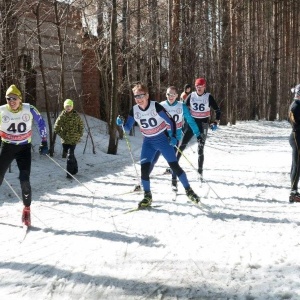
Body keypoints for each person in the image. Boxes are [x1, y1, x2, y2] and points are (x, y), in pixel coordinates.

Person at [116, 83, 200, 208]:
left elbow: (170, 120)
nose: (139, 99)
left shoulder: (155, 106)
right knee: (144, 170)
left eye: (141, 95)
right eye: (136, 96)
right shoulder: (134, 110)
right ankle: (147, 196)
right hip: (148, 143)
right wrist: (121, 123)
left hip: (162, 140)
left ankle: (189, 191)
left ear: (147, 95)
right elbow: (127, 128)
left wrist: (172, 136)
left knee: (175, 167)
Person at [0, 84, 48, 226]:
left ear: (20, 99)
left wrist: (44, 141)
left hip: (24, 149)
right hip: (8, 147)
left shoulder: (30, 109)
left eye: (14, 98)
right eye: (8, 99)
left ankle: (27, 209)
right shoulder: (2, 111)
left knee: (24, 179)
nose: (11, 101)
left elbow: (41, 123)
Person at [151, 86, 203, 191]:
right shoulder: (161, 105)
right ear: (166, 94)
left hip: (175, 137)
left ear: (177, 95)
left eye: (173, 94)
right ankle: (143, 182)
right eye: (169, 94)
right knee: (153, 159)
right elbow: (150, 118)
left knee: (173, 161)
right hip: (162, 135)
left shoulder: (181, 106)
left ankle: (174, 182)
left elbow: (190, 120)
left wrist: (198, 134)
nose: (171, 97)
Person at [178, 77, 221, 180]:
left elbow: (218, 110)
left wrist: (215, 122)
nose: (199, 88)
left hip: (203, 125)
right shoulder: (191, 96)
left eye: (201, 86)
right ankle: (174, 166)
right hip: (192, 124)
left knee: (200, 149)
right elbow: (182, 108)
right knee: (182, 145)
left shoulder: (208, 97)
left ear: (204, 87)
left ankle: (200, 172)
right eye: (197, 86)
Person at [54, 99, 84, 179]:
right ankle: (75, 169)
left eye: (70, 106)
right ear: (64, 107)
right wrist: (62, 134)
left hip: (74, 140)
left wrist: (79, 135)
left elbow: (81, 126)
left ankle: (69, 173)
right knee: (71, 155)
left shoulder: (76, 116)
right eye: (67, 106)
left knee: (70, 155)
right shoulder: (62, 116)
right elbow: (56, 127)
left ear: (72, 107)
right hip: (65, 140)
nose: (68, 108)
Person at [288, 84, 300, 203]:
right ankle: (293, 192)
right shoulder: (295, 106)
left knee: (296, 165)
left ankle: (294, 191)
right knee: (297, 165)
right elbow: (295, 123)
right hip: (297, 137)